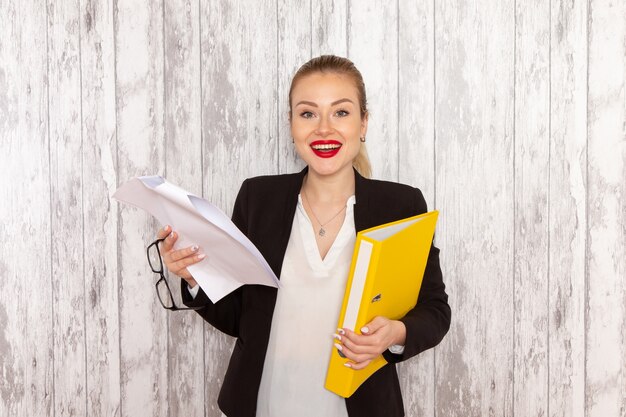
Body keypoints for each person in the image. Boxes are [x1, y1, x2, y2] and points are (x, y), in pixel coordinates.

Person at [155, 55, 450, 417]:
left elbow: (435, 311)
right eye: (308, 113)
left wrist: (396, 333)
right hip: (263, 406)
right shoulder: (257, 199)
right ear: (291, 123)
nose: (324, 129)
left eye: (341, 112)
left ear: (363, 123)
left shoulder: (400, 205)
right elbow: (237, 318)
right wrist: (195, 277)